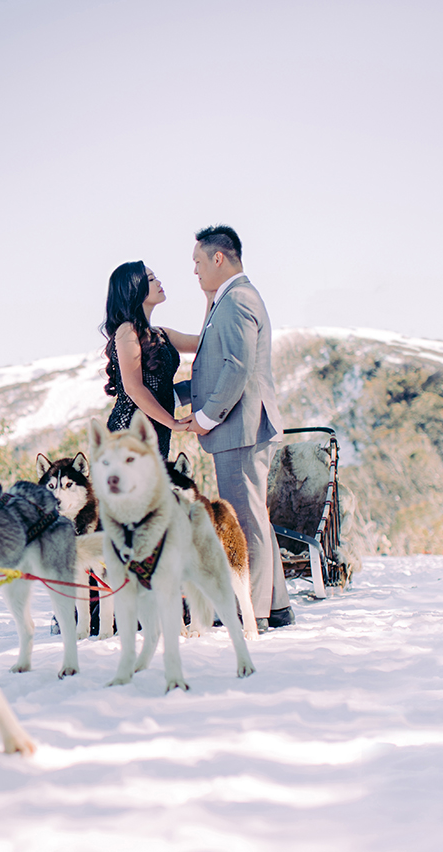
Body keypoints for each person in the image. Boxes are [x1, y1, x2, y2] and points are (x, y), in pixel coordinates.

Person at [178, 225, 294, 632]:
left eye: (197, 262)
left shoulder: (238, 300)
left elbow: (236, 367)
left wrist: (206, 416)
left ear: (218, 258)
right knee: (253, 517)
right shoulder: (226, 300)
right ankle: (276, 605)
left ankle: (256, 612)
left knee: (244, 522)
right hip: (241, 426)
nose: (193, 271)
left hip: (240, 426)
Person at [101, 261, 197, 459]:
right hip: (128, 432)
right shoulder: (127, 330)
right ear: (135, 289)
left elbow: (203, 342)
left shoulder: (161, 333)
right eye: (151, 279)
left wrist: (210, 295)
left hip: (156, 430)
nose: (159, 282)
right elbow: (134, 388)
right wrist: (172, 422)